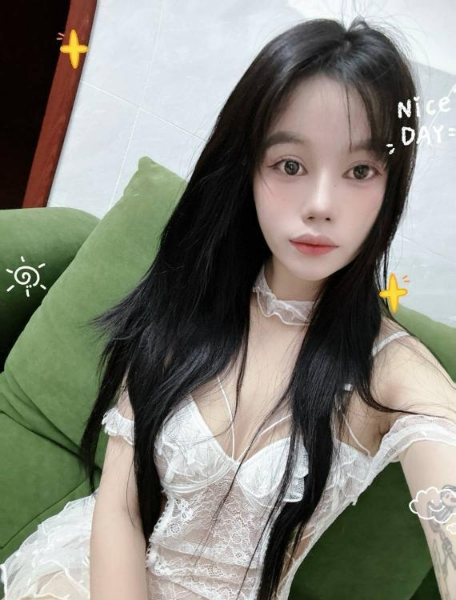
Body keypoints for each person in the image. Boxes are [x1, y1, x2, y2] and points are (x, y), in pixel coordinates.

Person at [2, 15, 456, 600]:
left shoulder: (392, 372)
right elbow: (119, 506)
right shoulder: (192, 300)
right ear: (249, 168)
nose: (320, 204)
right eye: (290, 165)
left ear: (390, 186)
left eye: (360, 171)